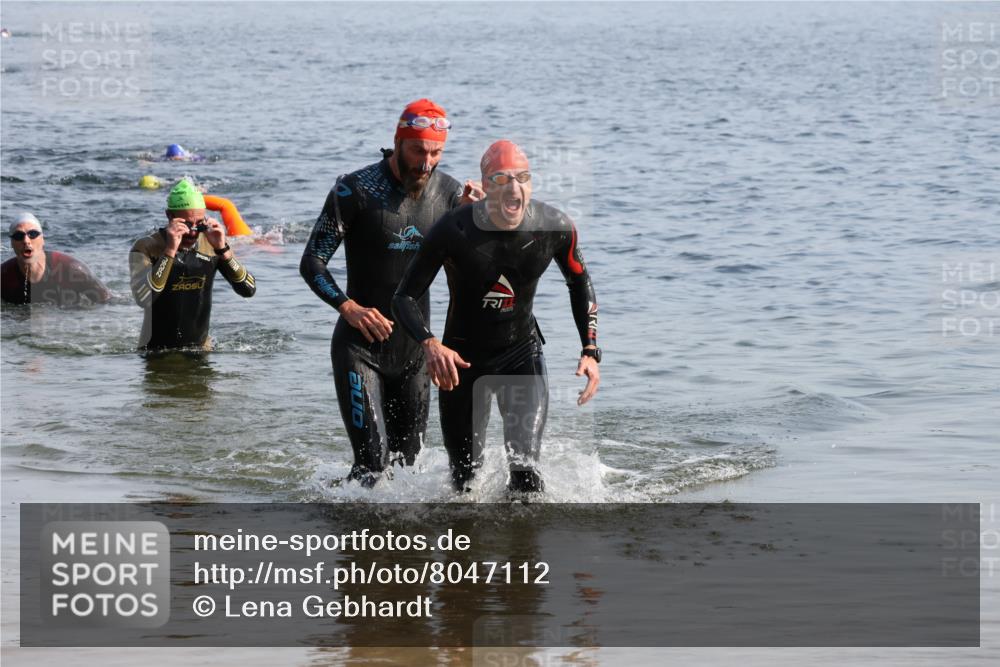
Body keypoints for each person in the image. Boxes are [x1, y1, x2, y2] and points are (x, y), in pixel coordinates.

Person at [392, 140, 601, 494]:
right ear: (486, 186)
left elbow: (580, 282)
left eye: (523, 178)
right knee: (463, 482)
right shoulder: (453, 230)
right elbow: (404, 297)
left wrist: (591, 350)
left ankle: (525, 549)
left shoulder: (553, 226)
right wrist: (430, 344)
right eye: (502, 179)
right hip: (461, 362)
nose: (514, 188)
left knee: (527, 476)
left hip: (521, 355)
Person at [300, 98, 484, 488]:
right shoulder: (355, 190)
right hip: (359, 348)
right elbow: (312, 263)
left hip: (416, 352)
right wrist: (347, 307)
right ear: (398, 141)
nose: (426, 162)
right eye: (418, 150)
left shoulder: (450, 194)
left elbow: (468, 274)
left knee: (406, 474)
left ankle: (401, 551)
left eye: (436, 153)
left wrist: (471, 223)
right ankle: (349, 540)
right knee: (372, 465)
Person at [129, 179, 256, 351]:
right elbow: (143, 298)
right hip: (155, 353)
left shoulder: (211, 245)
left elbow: (248, 289)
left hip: (201, 350)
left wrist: (223, 250)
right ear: (169, 216)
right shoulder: (146, 247)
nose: (193, 232)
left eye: (200, 224)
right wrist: (170, 250)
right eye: (187, 224)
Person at [1, 212, 111, 306]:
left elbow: (109, 303)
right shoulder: (3, 276)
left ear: (42, 240)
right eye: (19, 236)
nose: (26, 241)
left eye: (33, 234)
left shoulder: (72, 270)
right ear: (11, 243)